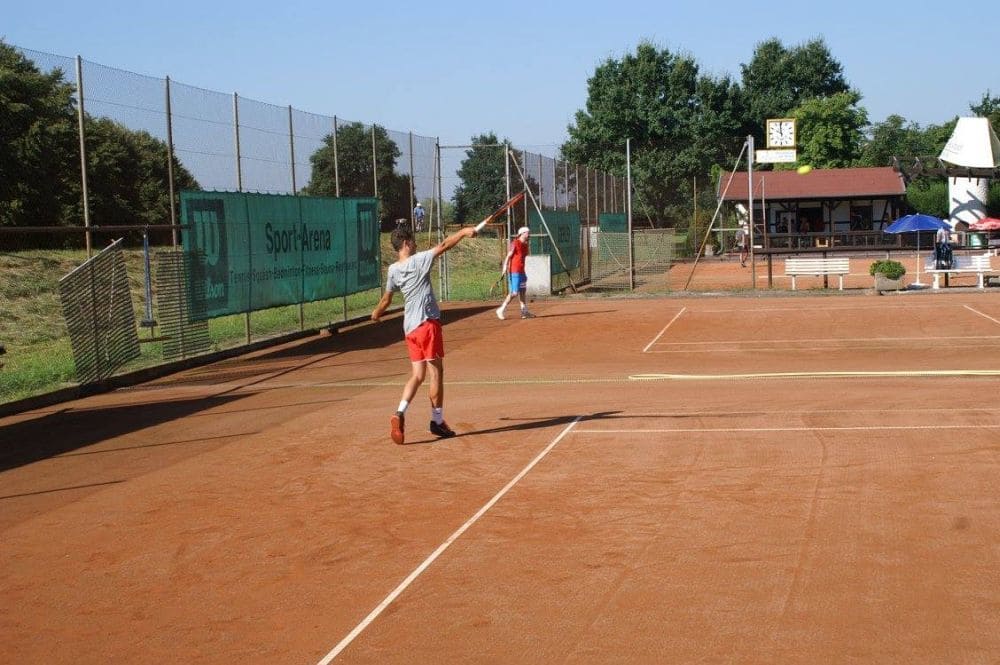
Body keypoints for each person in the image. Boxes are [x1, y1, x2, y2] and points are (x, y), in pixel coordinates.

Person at [371, 224, 479, 444]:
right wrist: (463, 232)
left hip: (410, 329)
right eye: (413, 241)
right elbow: (444, 245)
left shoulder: (392, 270)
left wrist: (376, 313)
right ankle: (437, 421)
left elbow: (386, 300)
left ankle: (400, 412)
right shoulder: (419, 260)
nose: (416, 244)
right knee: (436, 372)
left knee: (417, 375)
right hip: (427, 325)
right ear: (406, 243)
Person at [496, 226, 535, 320]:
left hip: (522, 271)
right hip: (514, 271)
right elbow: (508, 256)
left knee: (522, 291)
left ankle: (524, 312)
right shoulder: (515, 243)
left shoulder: (525, 245)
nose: (529, 234)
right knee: (514, 293)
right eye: (527, 233)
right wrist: (505, 267)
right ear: (522, 233)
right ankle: (501, 309)